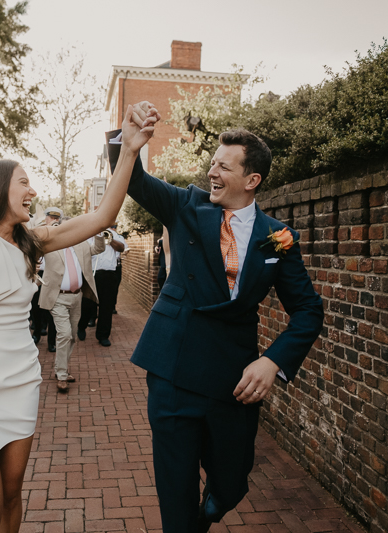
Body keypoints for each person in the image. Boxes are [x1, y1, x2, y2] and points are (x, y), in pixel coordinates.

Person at [0, 102, 160, 533]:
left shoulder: (31, 241)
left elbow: (103, 217)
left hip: (18, 383)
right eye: (24, 183)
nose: (33, 192)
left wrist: (129, 151)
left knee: (9, 496)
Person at [108, 126, 323, 533]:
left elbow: (309, 310)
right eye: (211, 164)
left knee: (233, 477)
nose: (213, 173)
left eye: (224, 166)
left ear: (251, 179)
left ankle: (213, 505)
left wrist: (273, 361)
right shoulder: (187, 206)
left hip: (233, 377)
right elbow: (134, 180)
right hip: (173, 367)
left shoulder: (274, 239)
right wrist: (127, 138)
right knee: (176, 488)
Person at [38, 218, 105, 392]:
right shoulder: (50, 246)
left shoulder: (81, 244)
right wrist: (46, 227)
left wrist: (98, 233)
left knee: (72, 336)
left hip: (77, 297)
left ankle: (62, 368)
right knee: (64, 334)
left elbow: (98, 248)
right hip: (57, 298)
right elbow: (34, 246)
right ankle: (61, 374)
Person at [80, 224, 127, 346]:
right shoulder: (90, 234)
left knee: (106, 307)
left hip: (109, 275)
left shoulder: (116, 235)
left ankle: (103, 335)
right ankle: (81, 326)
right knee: (87, 304)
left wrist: (110, 239)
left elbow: (122, 248)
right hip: (92, 274)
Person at [30, 207, 63, 347]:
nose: (54, 221)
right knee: (36, 307)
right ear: (46, 218)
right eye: (51, 218)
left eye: (56, 219)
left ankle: (51, 342)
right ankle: (36, 333)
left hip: (53, 274)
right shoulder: (39, 232)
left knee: (51, 309)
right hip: (39, 274)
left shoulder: (59, 236)